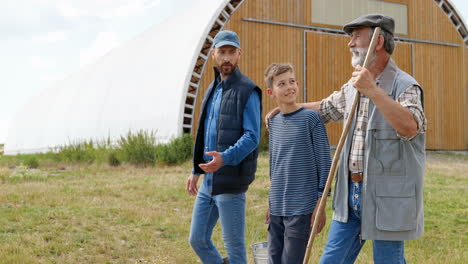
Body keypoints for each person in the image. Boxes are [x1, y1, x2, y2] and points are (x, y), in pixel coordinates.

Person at [265, 14, 426, 264]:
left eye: (356, 37)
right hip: (350, 193)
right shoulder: (353, 86)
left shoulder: (405, 85)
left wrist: (373, 90)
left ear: (378, 41)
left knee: (388, 261)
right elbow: (326, 108)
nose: (350, 43)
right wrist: (289, 107)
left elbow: (410, 126)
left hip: (387, 196)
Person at [186, 30, 262, 264]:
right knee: (197, 240)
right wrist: (196, 170)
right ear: (214, 55)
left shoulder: (248, 90)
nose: (227, 58)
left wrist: (225, 158)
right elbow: (203, 131)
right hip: (209, 182)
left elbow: (252, 137)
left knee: (236, 251)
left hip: (231, 181)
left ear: (239, 54)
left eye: (231, 52)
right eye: (222, 52)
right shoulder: (212, 90)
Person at [263, 63, 331, 264]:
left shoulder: (311, 119)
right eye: (281, 84)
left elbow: (325, 164)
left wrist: (321, 204)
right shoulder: (273, 123)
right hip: (277, 208)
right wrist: (270, 203)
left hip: (301, 208)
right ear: (271, 92)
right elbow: (274, 166)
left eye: (292, 81)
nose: (289, 87)